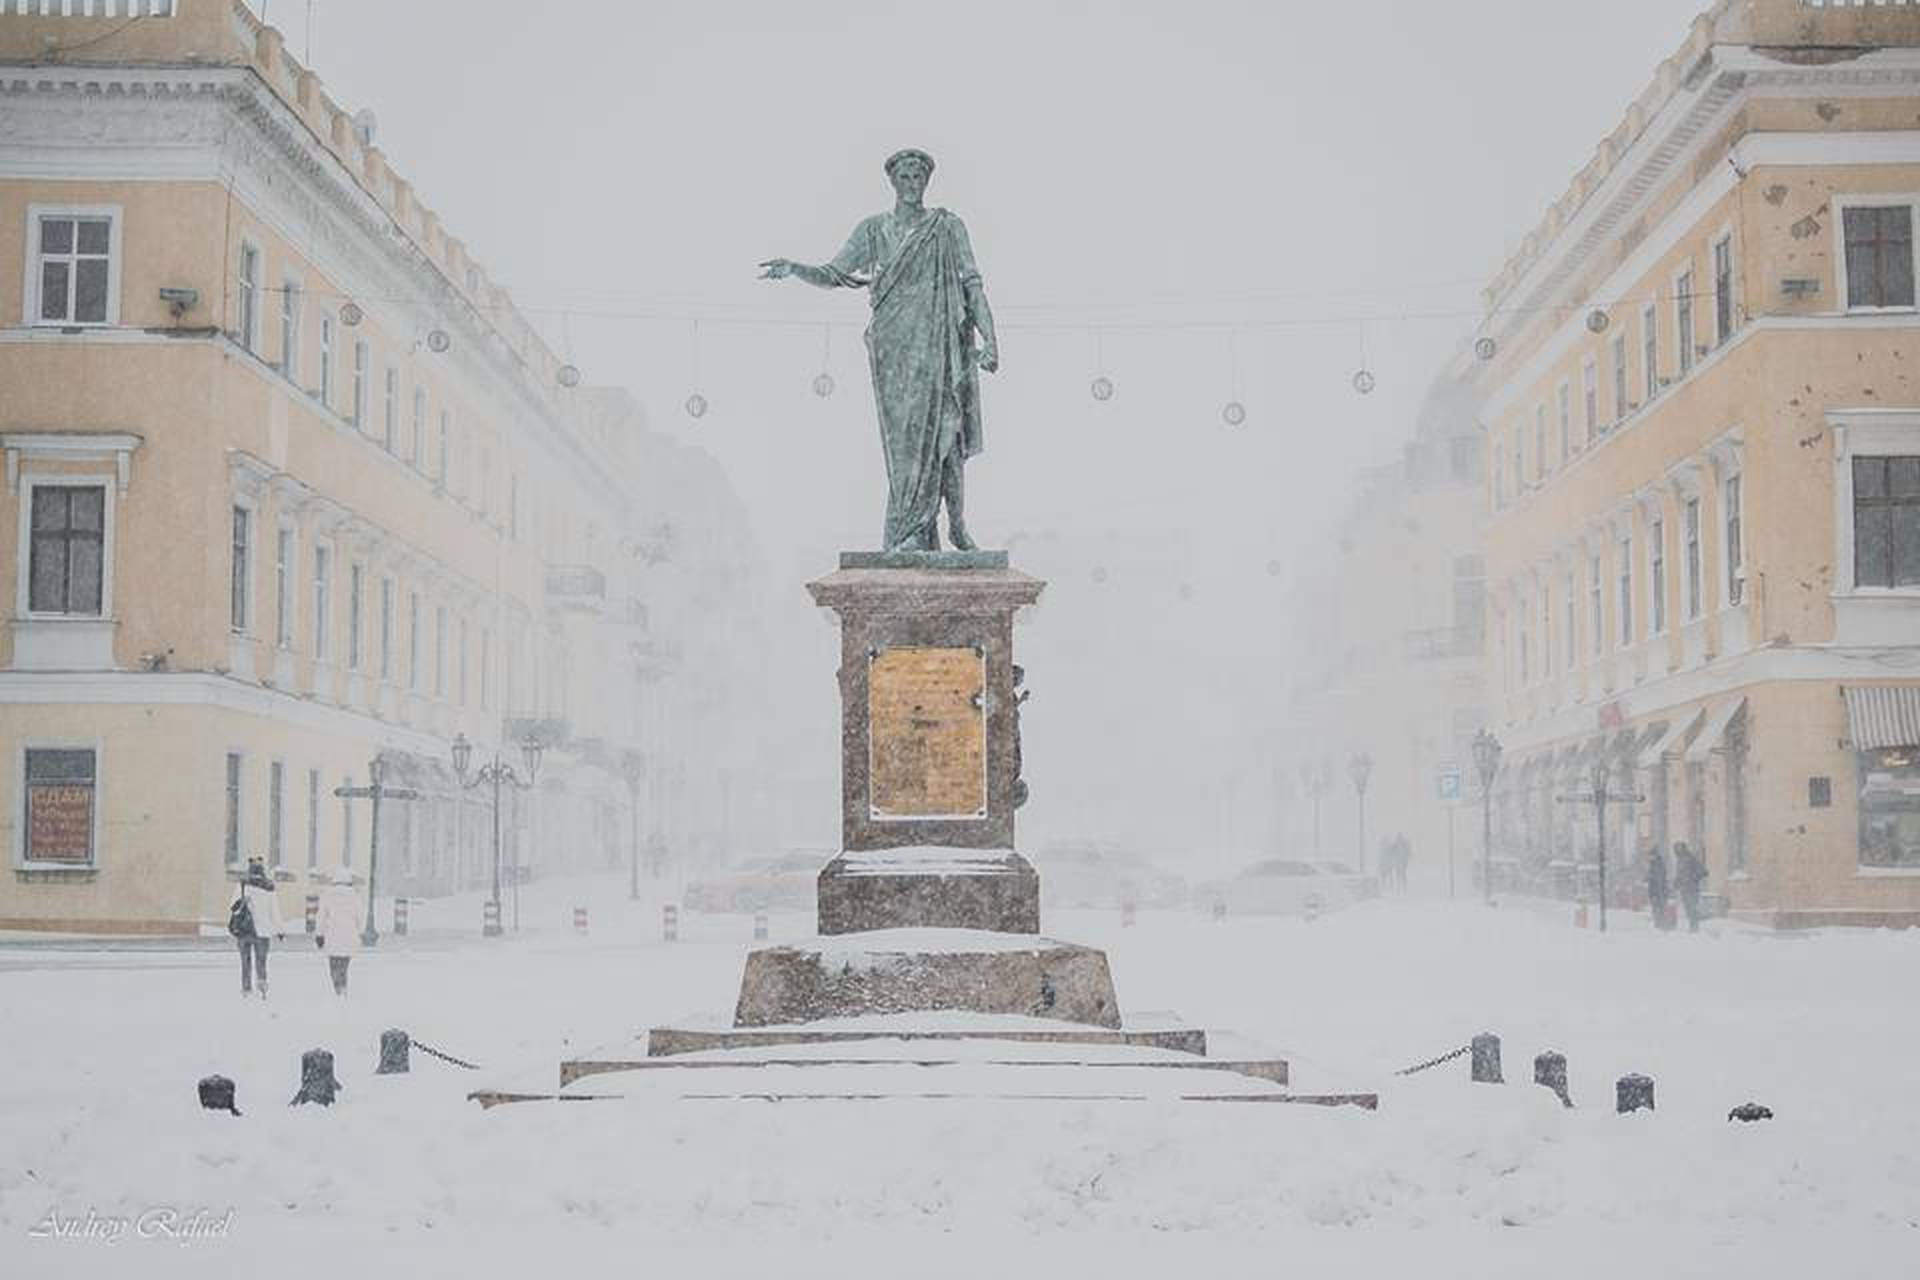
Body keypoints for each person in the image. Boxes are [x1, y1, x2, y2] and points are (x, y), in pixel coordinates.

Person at [760, 148, 1001, 552]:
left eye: (918, 177)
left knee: (947, 433)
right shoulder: (874, 230)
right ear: (893, 182)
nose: (912, 184)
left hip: (940, 347)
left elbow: (972, 284)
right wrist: (795, 268)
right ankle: (912, 531)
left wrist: (991, 338)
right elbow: (834, 273)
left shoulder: (947, 226)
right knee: (907, 446)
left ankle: (956, 524)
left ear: (927, 181)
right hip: (895, 351)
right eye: (905, 177)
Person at [230, 857, 285, 999]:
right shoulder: (269, 888)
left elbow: (233, 907)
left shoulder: (242, 886)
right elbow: (275, 911)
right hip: (263, 932)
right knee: (261, 961)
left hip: (244, 930)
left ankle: (246, 989)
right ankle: (262, 986)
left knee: (245, 961)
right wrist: (280, 930)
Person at [313, 868, 364, 996]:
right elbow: (360, 917)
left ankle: (337, 987)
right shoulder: (355, 896)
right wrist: (358, 932)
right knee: (344, 965)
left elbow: (321, 917)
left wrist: (319, 935)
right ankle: (343, 986)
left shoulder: (327, 895)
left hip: (332, 935)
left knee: (334, 964)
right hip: (349, 935)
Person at [1673, 841, 1707, 934]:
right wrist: (1676, 882)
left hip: (1692, 889)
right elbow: (1680, 874)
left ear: (1684, 848)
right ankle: (1692, 926)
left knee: (1692, 908)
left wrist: (1693, 879)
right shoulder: (1679, 860)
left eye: (1679, 848)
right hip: (1684, 889)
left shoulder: (1691, 858)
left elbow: (1703, 871)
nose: (1677, 850)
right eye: (1676, 849)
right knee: (1688, 908)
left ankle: (1695, 927)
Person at [1645, 846, 1672, 930]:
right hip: (1657, 891)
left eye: (1651, 855)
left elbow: (1659, 879)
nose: (1649, 857)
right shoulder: (1654, 864)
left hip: (1658, 892)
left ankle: (1662, 925)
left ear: (1654, 855)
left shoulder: (1657, 864)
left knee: (1659, 908)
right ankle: (1660, 924)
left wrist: (1650, 878)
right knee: (1658, 908)